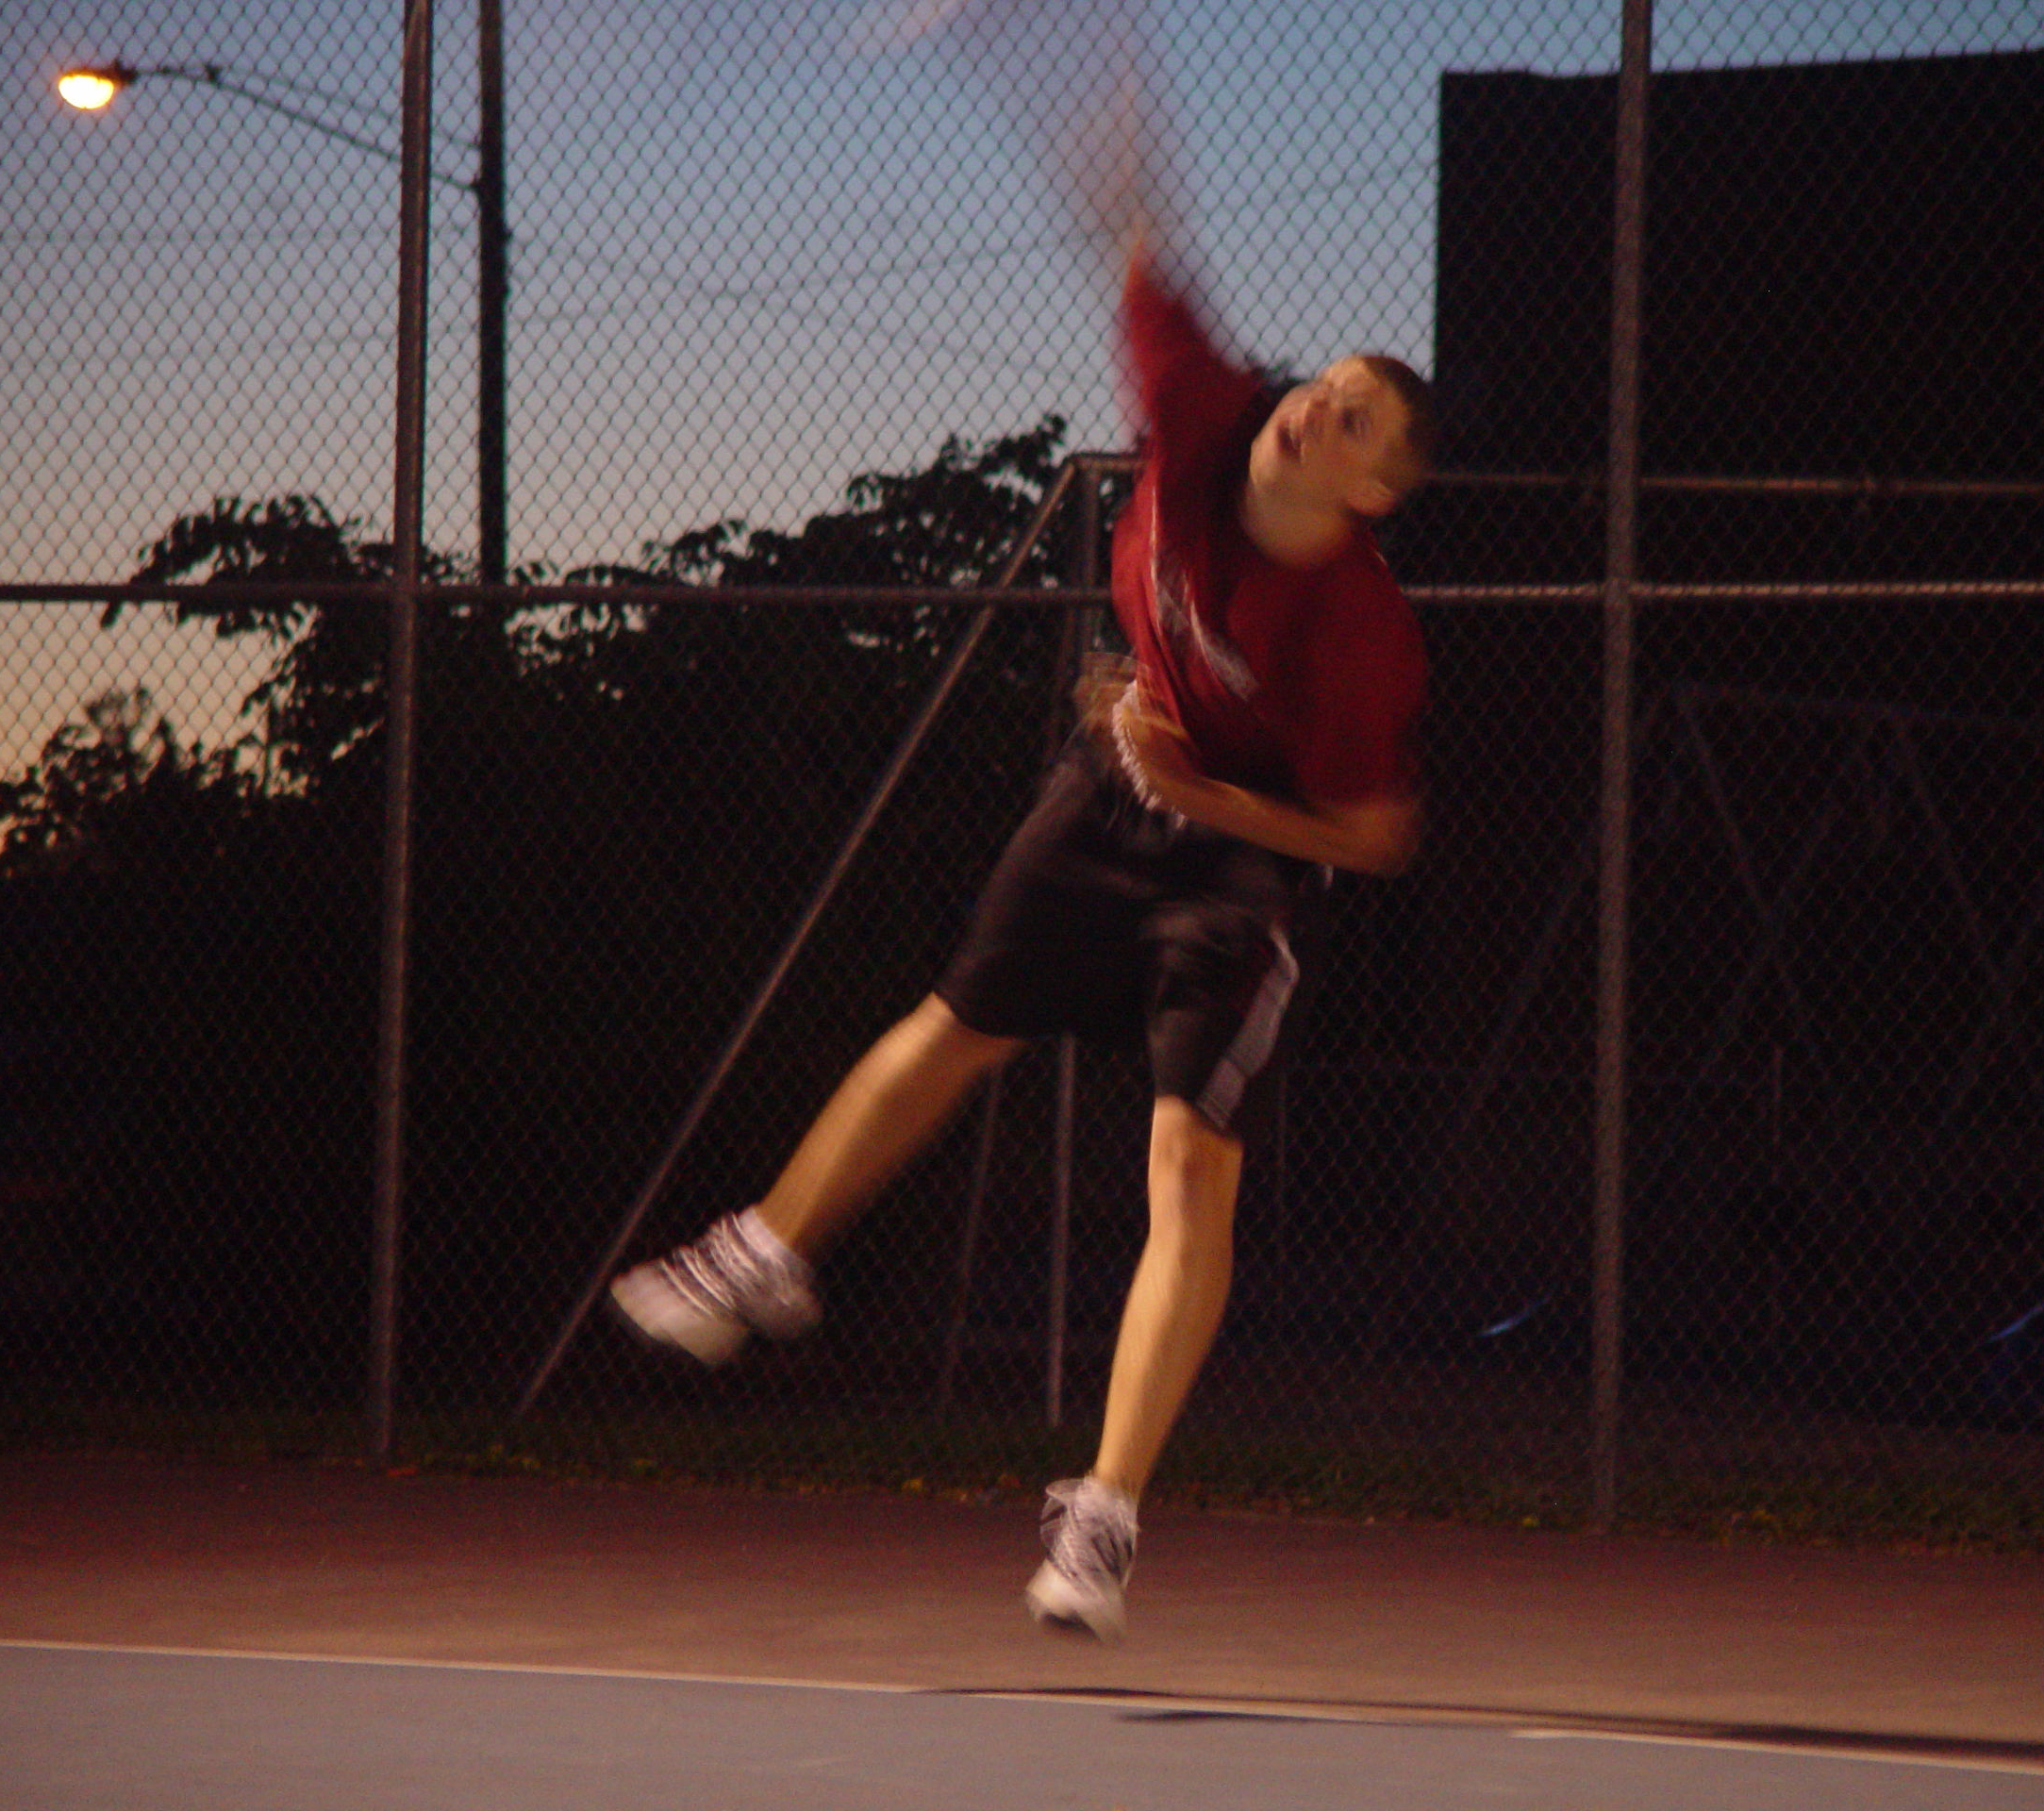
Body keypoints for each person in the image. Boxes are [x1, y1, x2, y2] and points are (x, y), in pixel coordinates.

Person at [609, 236, 1433, 1642]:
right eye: (1328, 383)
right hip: (1110, 796)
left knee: (1190, 1162)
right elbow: (1132, 225)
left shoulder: (1359, 635)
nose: (1319, 405)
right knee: (955, 1026)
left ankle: (1103, 1516)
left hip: (1233, 867)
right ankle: (765, 1253)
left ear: (1370, 491)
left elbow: (1375, 839)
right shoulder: (1203, 410)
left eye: (1357, 418)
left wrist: (1210, 796)